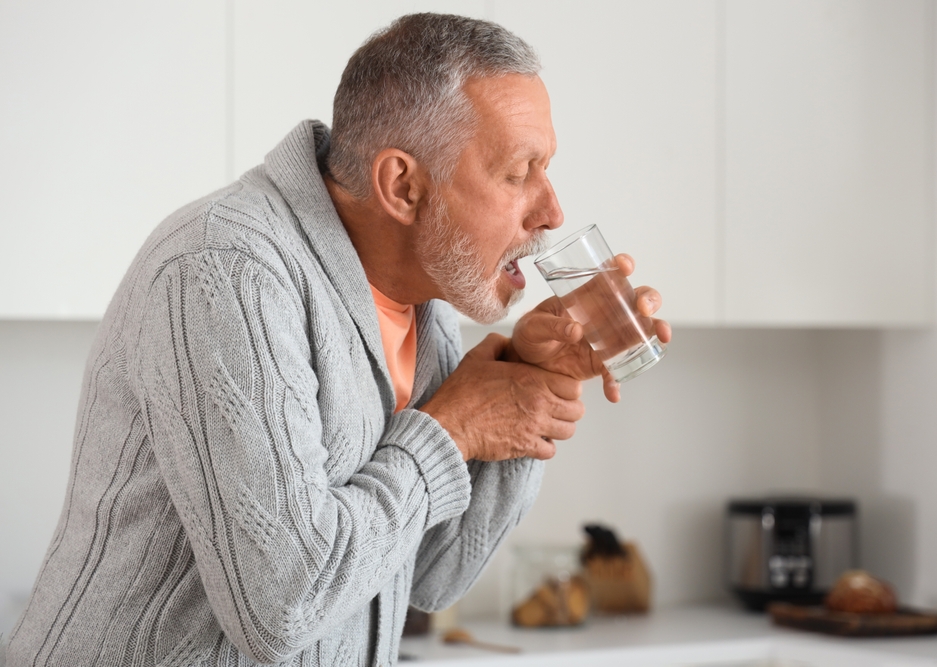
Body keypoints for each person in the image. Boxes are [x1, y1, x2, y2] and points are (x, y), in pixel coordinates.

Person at [6, 13, 669, 667]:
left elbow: (434, 576)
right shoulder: (225, 270)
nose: (552, 210)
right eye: (518, 173)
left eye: (547, 168)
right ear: (403, 186)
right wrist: (453, 428)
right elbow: (282, 607)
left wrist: (524, 388)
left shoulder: (426, 294)